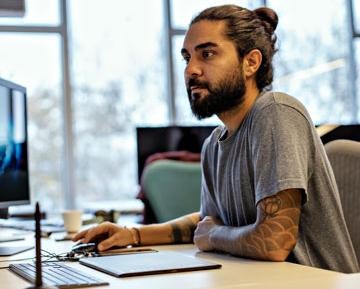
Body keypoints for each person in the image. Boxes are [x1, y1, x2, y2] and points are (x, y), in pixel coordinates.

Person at [73, 5, 359, 273]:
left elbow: (273, 241)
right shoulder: (214, 144)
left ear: (251, 62)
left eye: (206, 54)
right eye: (187, 57)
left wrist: (214, 235)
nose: (190, 70)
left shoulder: (275, 112)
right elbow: (206, 224)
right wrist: (132, 234)